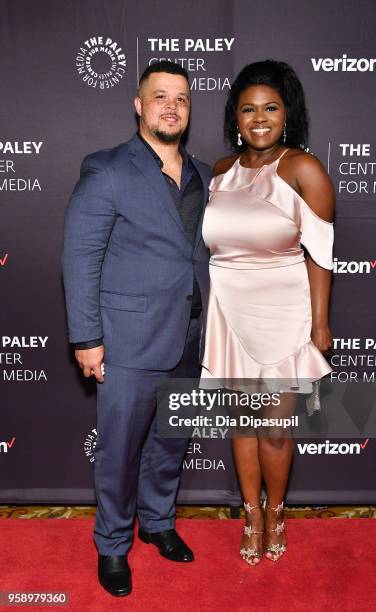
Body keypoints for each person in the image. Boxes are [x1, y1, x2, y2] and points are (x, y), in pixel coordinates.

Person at [62, 61, 211, 596]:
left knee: (169, 444)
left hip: (191, 338)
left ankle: (158, 522)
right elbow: (81, 257)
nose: (172, 106)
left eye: (182, 99)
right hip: (127, 341)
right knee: (120, 451)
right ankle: (111, 546)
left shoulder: (205, 176)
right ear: (138, 104)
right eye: (160, 96)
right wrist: (86, 338)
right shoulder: (108, 169)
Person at [201, 60, 334, 565]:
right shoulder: (220, 171)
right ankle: (250, 515)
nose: (260, 118)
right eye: (249, 108)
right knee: (242, 426)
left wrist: (320, 324)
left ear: (286, 115)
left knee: (276, 428)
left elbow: (320, 253)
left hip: (285, 313)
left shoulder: (303, 168)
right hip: (229, 313)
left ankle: (277, 512)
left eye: (271, 108)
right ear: (235, 117)